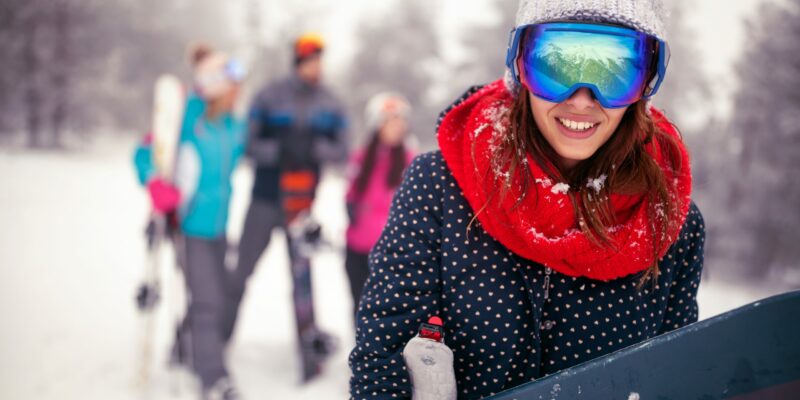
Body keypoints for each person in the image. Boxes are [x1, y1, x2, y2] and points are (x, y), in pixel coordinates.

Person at [348, 1, 705, 398]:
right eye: (557, 66)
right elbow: (383, 358)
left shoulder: (669, 223)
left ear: (645, 83)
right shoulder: (441, 187)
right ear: (520, 65)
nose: (583, 99)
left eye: (614, 71)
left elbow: (675, 378)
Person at [223, 32, 347, 376]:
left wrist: (314, 150)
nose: (315, 67)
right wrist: (276, 152)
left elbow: (342, 149)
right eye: (309, 61)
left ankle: (310, 359)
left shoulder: (330, 101)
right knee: (241, 272)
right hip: (264, 199)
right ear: (297, 62)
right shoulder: (270, 95)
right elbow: (246, 143)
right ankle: (215, 340)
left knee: (302, 281)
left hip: (302, 207)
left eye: (319, 60)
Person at [134, 51, 247, 400]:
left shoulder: (233, 124)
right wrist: (155, 183)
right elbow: (143, 154)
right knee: (209, 300)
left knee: (218, 291)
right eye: (231, 83)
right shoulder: (186, 114)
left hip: (218, 227)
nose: (236, 90)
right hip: (188, 225)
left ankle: (184, 348)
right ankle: (212, 375)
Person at [344, 92, 416, 319]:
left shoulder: (411, 161)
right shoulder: (361, 158)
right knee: (360, 309)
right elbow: (350, 194)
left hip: (393, 254)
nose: (397, 126)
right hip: (357, 249)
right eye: (390, 120)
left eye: (400, 120)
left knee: (388, 315)